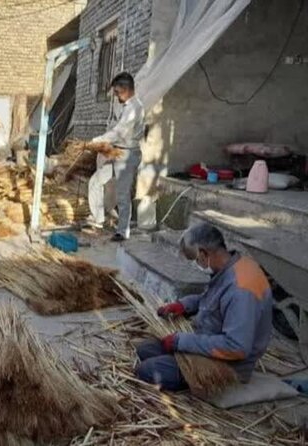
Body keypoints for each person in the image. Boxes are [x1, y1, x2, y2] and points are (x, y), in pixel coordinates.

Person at [135, 223, 273, 391]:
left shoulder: (241, 290)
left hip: (228, 364)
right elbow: (213, 301)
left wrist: (182, 341)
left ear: (203, 253)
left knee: (147, 371)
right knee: (144, 349)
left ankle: (196, 381)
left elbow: (236, 347)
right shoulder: (231, 266)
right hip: (206, 342)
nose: (196, 264)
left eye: (194, 259)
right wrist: (183, 305)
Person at [87, 72, 145, 242]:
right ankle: (98, 219)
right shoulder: (128, 107)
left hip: (127, 155)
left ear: (126, 90)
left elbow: (118, 132)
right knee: (96, 181)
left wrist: (96, 141)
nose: (116, 96)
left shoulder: (134, 109)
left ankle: (123, 231)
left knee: (122, 194)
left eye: (118, 93)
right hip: (117, 152)